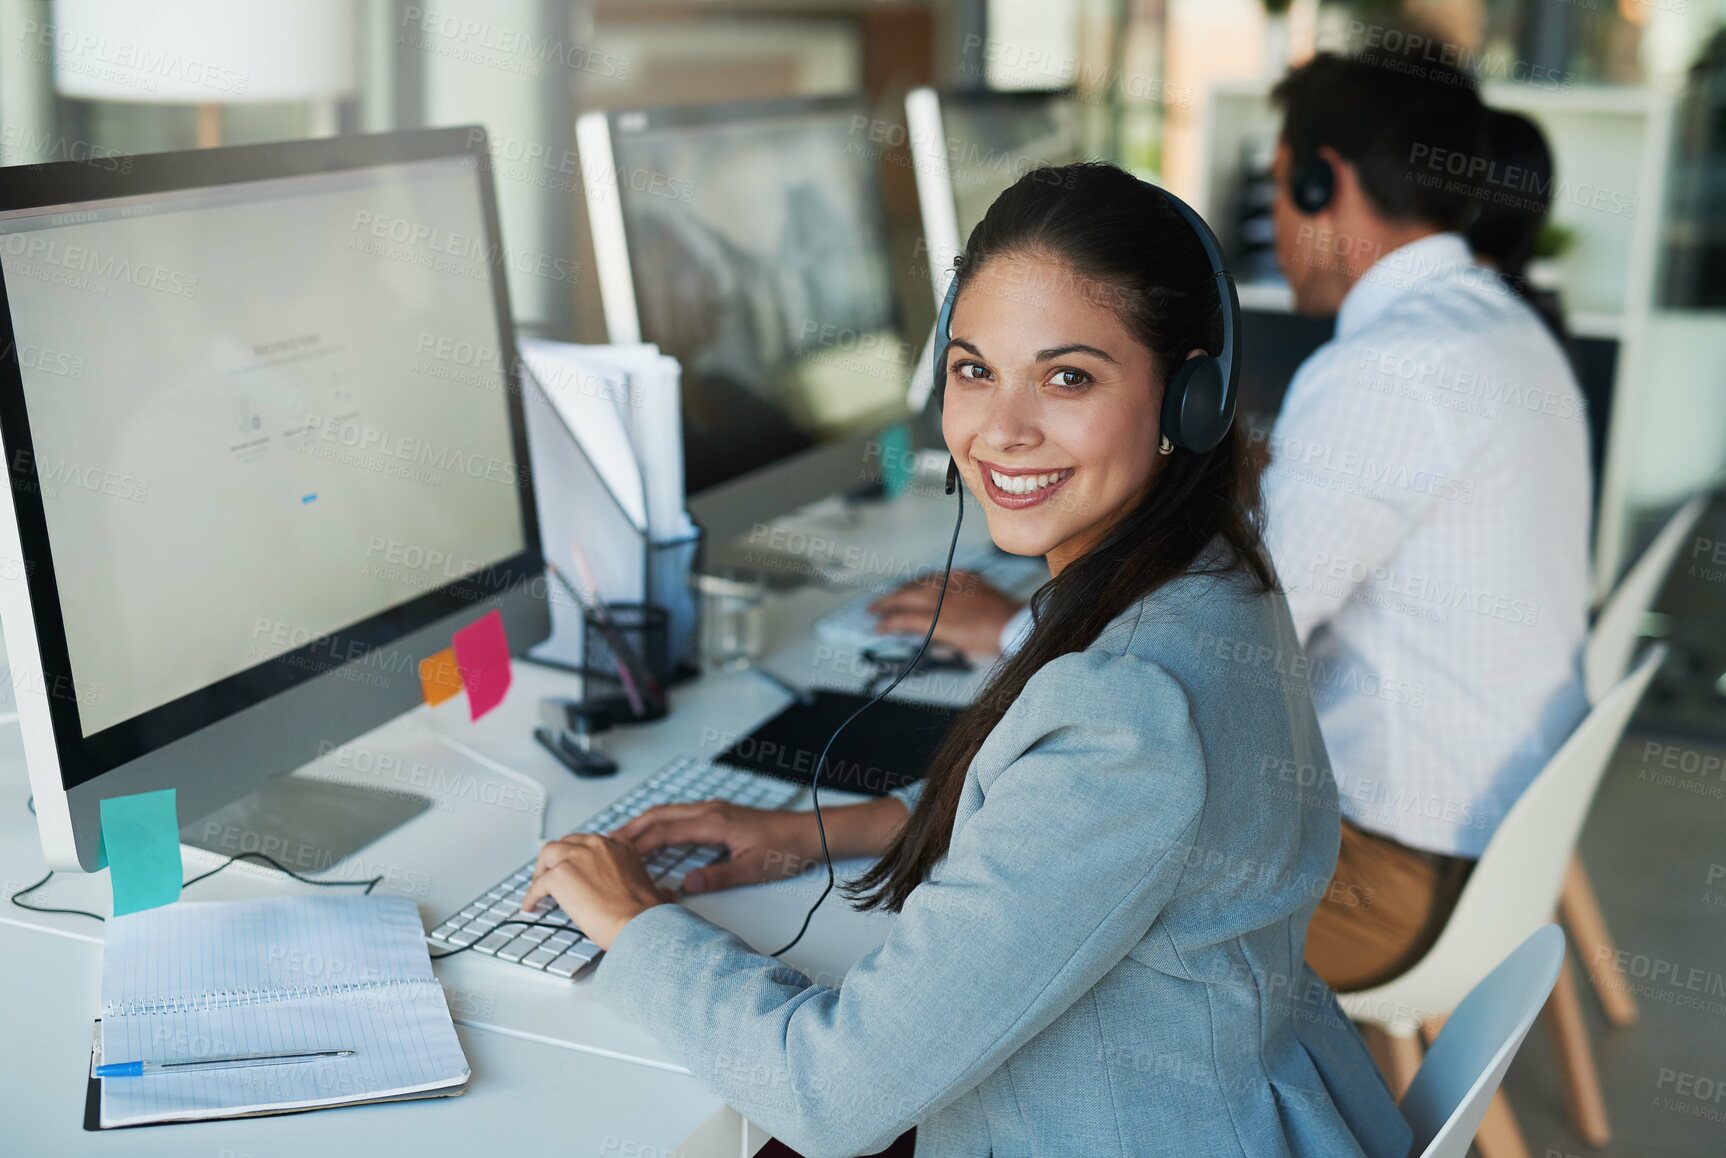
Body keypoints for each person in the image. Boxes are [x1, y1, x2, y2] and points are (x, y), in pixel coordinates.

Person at [516, 162, 1411, 1158]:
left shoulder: (1126, 707)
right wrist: (835, 830)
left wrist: (637, 926)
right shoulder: (1214, 570)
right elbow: (1086, 834)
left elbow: (829, 1094)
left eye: (1067, 377)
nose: (1000, 430)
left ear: (1186, 397)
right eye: (973, 369)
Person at [1261, 50, 1591, 990]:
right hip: (1496, 858)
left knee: (1063, 870)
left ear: (1323, 180)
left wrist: (1027, 622)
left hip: (1390, 886)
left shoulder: (1385, 368)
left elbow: (1240, 629)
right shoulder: (1506, 325)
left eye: (1282, 189)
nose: (1277, 225)